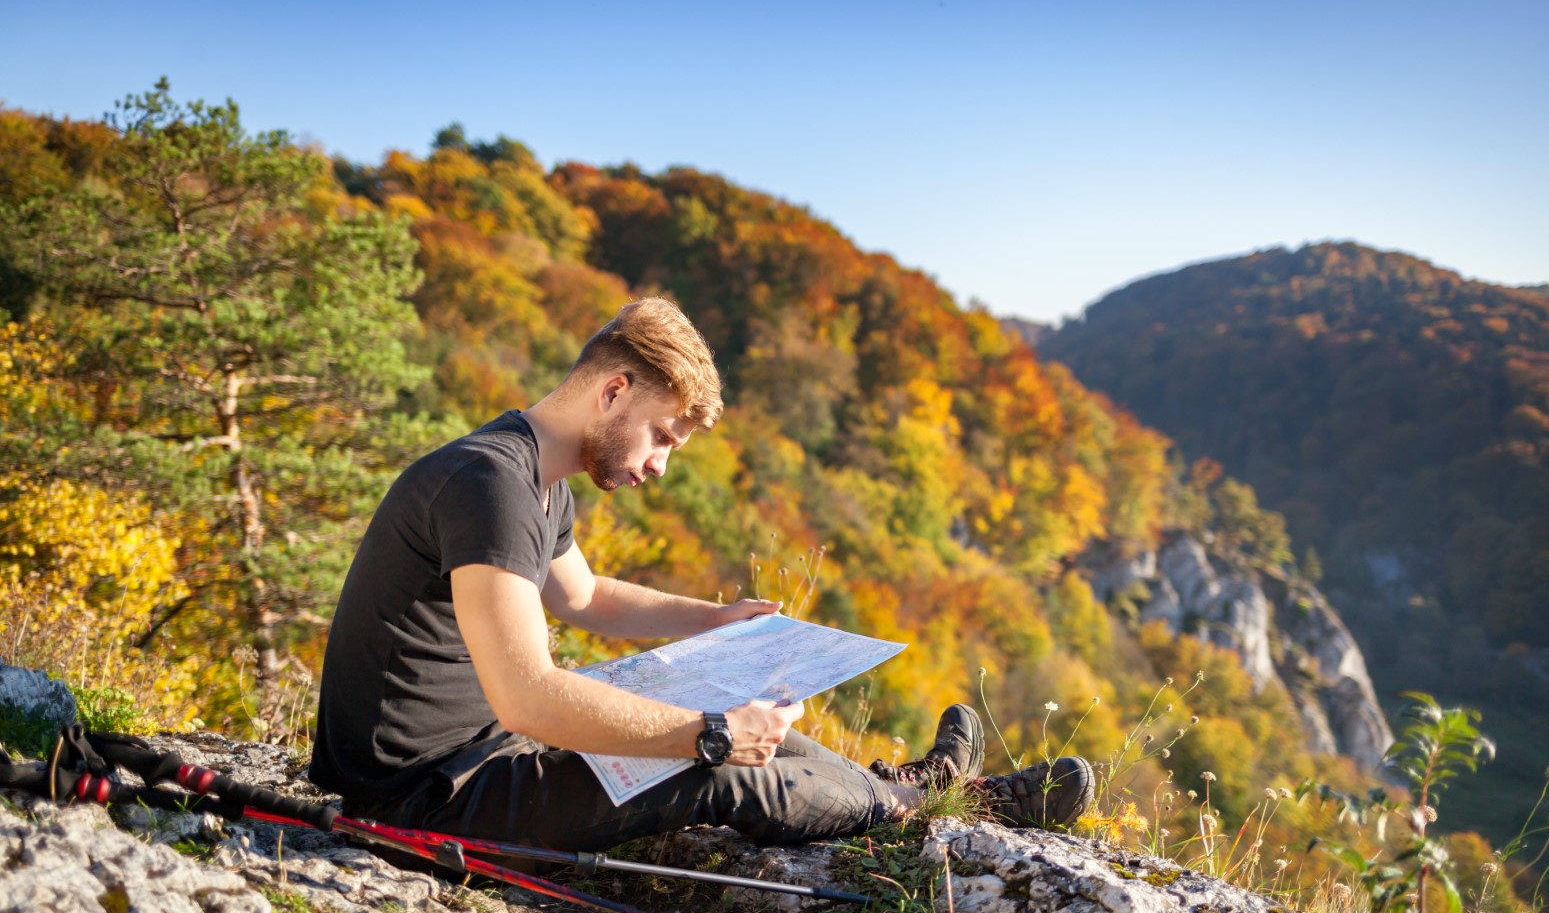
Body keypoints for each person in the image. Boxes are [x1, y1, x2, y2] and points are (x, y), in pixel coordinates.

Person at [310, 297, 1094, 853]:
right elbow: (528, 694)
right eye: (661, 436)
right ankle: (939, 809)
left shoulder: (530, 479)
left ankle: (901, 785)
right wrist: (709, 735)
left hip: (482, 755)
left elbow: (584, 596)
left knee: (728, 721)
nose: (657, 465)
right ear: (612, 389)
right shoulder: (489, 485)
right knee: (720, 769)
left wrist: (716, 622)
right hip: (423, 799)